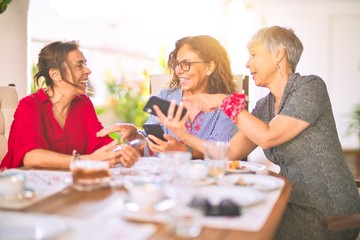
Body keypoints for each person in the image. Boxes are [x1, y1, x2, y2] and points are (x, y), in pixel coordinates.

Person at [154, 26, 360, 239]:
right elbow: (230, 152)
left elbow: (268, 136)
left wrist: (223, 101)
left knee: (238, 231)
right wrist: (185, 136)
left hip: (329, 213)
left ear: (279, 54)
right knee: (218, 218)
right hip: (290, 200)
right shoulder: (264, 106)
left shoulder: (310, 87)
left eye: (254, 54)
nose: (247, 63)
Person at [0, 41, 140, 170]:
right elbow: (31, 157)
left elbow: (100, 144)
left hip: (64, 185)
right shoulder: (29, 105)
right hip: (20, 188)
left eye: (85, 64)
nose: (88, 70)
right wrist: (85, 161)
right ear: (55, 74)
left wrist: (120, 153)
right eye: (79, 65)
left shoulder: (83, 103)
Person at [97, 35, 238, 159]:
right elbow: (151, 142)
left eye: (186, 64)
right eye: (177, 64)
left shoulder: (228, 104)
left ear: (209, 67)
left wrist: (183, 151)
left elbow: (223, 151)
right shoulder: (166, 96)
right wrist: (135, 135)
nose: (178, 70)